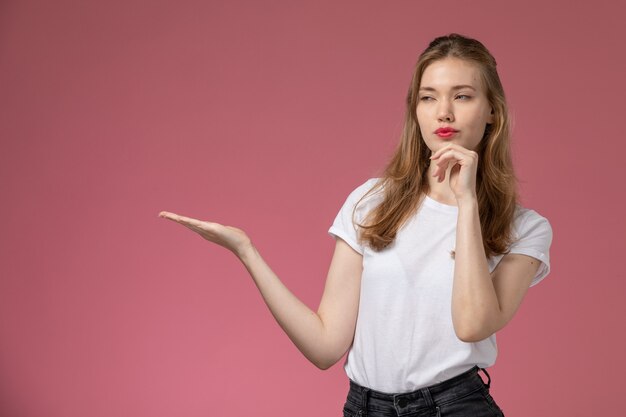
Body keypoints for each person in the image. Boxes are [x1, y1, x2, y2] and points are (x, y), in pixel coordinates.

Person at [159, 33, 552, 417]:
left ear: (492, 111)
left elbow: (471, 325)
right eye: (428, 97)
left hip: (455, 406)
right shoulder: (372, 201)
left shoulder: (525, 229)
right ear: (415, 110)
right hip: (364, 407)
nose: (443, 112)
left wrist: (466, 202)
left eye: (462, 96)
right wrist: (246, 251)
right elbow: (326, 346)